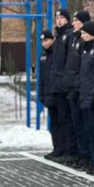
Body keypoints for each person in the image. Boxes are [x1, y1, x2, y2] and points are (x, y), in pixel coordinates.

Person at [66, 11, 91, 168]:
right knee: (76, 125)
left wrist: (77, 86)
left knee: (84, 126)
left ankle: (86, 156)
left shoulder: (84, 43)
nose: (73, 23)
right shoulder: (74, 39)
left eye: (76, 21)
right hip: (73, 88)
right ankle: (80, 154)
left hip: (81, 89)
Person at [48, 9, 74, 162]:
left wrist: (65, 83)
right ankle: (60, 148)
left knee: (66, 120)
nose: (59, 20)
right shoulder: (58, 37)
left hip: (64, 87)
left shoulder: (68, 36)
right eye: (57, 18)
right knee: (58, 120)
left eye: (62, 18)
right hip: (57, 86)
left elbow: (67, 64)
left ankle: (67, 150)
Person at [79, 21, 94, 172]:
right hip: (85, 96)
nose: (82, 35)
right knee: (88, 131)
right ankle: (93, 159)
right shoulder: (86, 49)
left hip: (93, 97)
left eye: (84, 33)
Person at [38, 29, 57, 159]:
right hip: (47, 94)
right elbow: (42, 78)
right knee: (53, 124)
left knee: (60, 123)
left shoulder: (56, 54)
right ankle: (56, 148)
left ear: (53, 40)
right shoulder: (43, 55)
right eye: (43, 41)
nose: (44, 43)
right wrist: (42, 94)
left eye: (47, 40)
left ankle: (62, 148)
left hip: (56, 94)